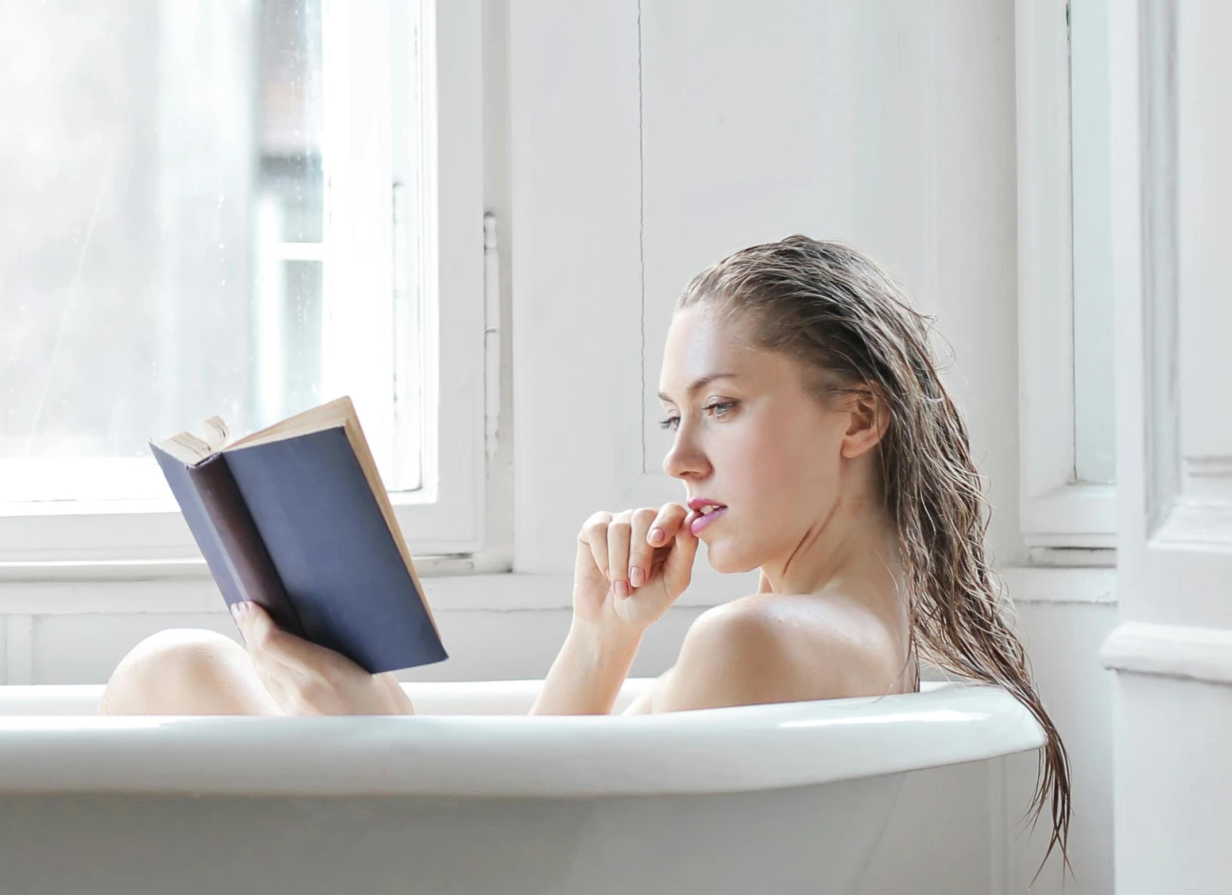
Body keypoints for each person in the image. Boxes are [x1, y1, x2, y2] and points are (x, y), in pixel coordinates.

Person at [100, 235, 1071, 859]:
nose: (682, 461)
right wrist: (600, 640)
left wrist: (364, 717)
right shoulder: (848, 639)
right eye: (671, 420)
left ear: (856, 420)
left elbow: (517, 874)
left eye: (721, 408)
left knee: (171, 674)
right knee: (180, 671)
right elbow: (555, 832)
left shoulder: (761, 641)